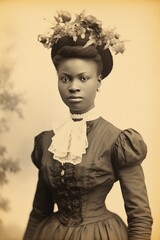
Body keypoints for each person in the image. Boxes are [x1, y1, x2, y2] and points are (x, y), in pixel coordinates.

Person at [23, 10, 153, 240]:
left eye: (83, 78)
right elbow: (39, 211)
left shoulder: (119, 142)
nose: (73, 86)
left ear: (98, 81)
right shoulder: (47, 142)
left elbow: (140, 217)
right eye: (65, 78)